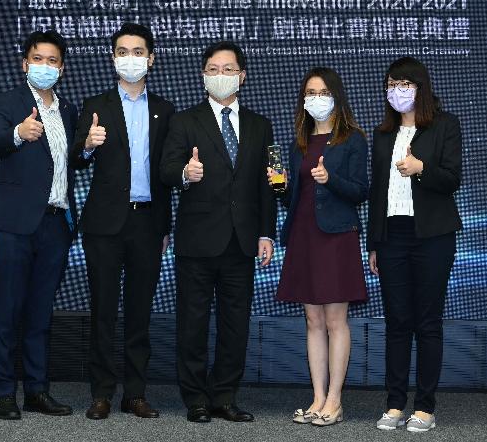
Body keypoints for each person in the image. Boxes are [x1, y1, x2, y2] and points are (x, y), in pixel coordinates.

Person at [160, 41, 276, 423]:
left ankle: (224, 396)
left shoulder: (261, 124)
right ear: (203, 75)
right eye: (213, 68)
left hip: (241, 241)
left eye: (229, 69)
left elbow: (267, 185)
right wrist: (184, 174)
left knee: (235, 323)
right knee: (192, 322)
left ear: (242, 76)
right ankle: (194, 397)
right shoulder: (184, 120)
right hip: (197, 239)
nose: (221, 76)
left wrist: (266, 233)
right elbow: (166, 169)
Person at [70, 23, 174, 421]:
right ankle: (100, 393)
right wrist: (88, 145)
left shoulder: (165, 109)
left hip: (147, 223)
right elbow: (77, 160)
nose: (129, 58)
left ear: (151, 58)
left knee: (139, 313)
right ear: (113, 57)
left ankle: (135, 393)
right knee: (103, 311)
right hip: (104, 226)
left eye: (137, 51)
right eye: (122, 51)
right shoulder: (96, 104)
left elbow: (167, 173)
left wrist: (165, 226)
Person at [0, 30, 78, 420]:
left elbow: (69, 163)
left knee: (41, 313)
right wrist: (19, 134)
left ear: (62, 68)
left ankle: (38, 390)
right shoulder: (9, 102)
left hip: (55, 223)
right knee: (9, 310)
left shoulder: (68, 110)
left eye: (52, 60)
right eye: (37, 59)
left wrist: (86, 147)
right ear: (24, 64)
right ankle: (4, 392)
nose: (44, 66)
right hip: (14, 223)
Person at [367, 57, 462, 433]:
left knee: (427, 322)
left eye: (404, 84)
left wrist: (422, 169)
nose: (397, 91)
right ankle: (394, 404)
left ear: (420, 88)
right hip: (392, 236)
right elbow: (376, 193)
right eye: (391, 84)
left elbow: (452, 178)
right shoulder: (382, 133)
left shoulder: (444, 125)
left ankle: (424, 407)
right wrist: (375, 242)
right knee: (397, 322)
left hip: (433, 236)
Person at [269, 67, 368, 427]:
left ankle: (335, 400)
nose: (316, 98)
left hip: (337, 236)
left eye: (323, 91)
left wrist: (332, 179)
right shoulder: (299, 142)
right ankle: (317, 397)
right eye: (310, 92)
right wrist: (278, 187)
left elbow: (360, 190)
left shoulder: (353, 139)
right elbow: (293, 199)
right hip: (304, 236)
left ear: (336, 96)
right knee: (312, 319)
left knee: (334, 320)